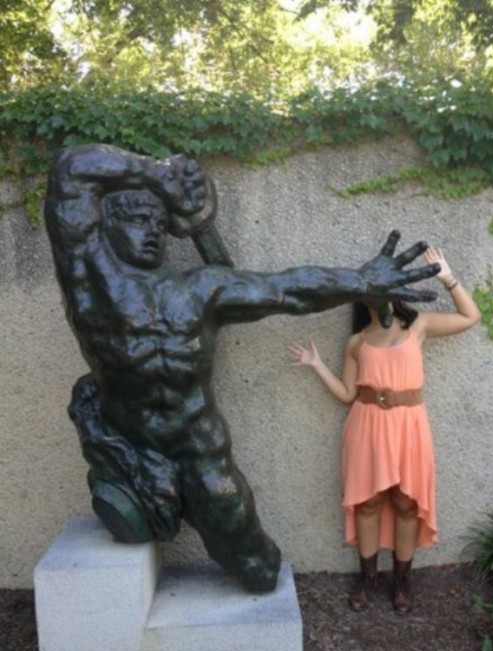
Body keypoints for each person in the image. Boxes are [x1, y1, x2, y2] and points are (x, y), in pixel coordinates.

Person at [44, 143, 440, 594]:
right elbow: (70, 169)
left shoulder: (200, 289)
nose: (152, 231)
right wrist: (160, 176)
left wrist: (361, 281)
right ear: (104, 226)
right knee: (127, 520)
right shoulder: (90, 281)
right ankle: (136, 492)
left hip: (199, 451)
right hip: (127, 444)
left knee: (260, 572)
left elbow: (286, 290)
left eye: (159, 222)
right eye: (137, 219)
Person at [290, 247, 481, 612]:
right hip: (366, 424)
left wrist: (447, 278)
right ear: (365, 297)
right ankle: (367, 578)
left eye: (387, 287)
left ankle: (403, 581)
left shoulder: (419, 326)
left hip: (409, 425)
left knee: (407, 504)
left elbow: (470, 317)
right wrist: (316, 365)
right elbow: (348, 394)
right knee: (369, 502)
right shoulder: (357, 341)